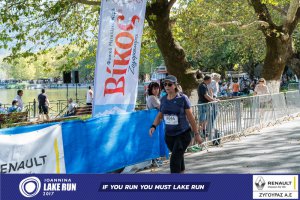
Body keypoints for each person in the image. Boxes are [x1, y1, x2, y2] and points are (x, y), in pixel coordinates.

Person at [149, 75, 202, 173]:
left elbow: (190, 117)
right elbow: (160, 115)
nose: (167, 86)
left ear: (175, 85)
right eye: (165, 84)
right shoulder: (163, 99)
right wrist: (153, 126)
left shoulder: (182, 98)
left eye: (170, 84)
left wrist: (196, 134)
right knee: (179, 159)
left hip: (183, 134)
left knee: (174, 162)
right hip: (169, 136)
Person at [197, 75, 218, 140]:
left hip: (204, 104)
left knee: (205, 119)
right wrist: (213, 100)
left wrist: (213, 99)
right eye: (210, 80)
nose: (211, 81)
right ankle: (200, 132)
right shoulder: (202, 86)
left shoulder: (204, 85)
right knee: (202, 119)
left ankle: (203, 131)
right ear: (208, 80)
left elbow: (208, 94)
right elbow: (206, 95)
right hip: (202, 104)